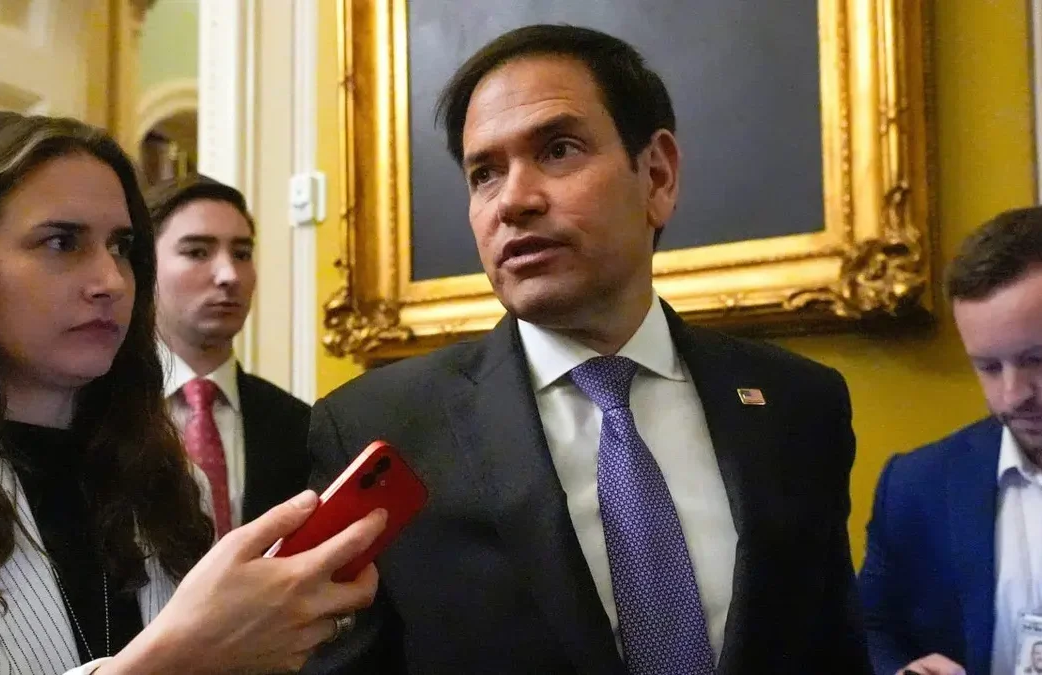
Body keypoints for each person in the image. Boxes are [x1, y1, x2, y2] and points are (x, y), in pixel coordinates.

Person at [304, 24, 871, 675]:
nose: (514, 200)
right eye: (484, 174)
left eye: (558, 150)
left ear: (656, 175)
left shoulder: (799, 404)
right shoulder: (379, 429)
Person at [0, 111, 383, 675]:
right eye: (61, 242)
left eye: (121, 246)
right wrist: (180, 656)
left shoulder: (164, 475)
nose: (112, 281)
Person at [859, 206, 1042, 675]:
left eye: (1037, 359)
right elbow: (870, 628)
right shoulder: (916, 486)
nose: (1013, 395)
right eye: (988, 367)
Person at [148, 174, 310, 536]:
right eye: (197, 252)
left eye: (242, 254)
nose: (229, 275)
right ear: (145, 267)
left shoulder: (299, 424)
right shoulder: (92, 409)